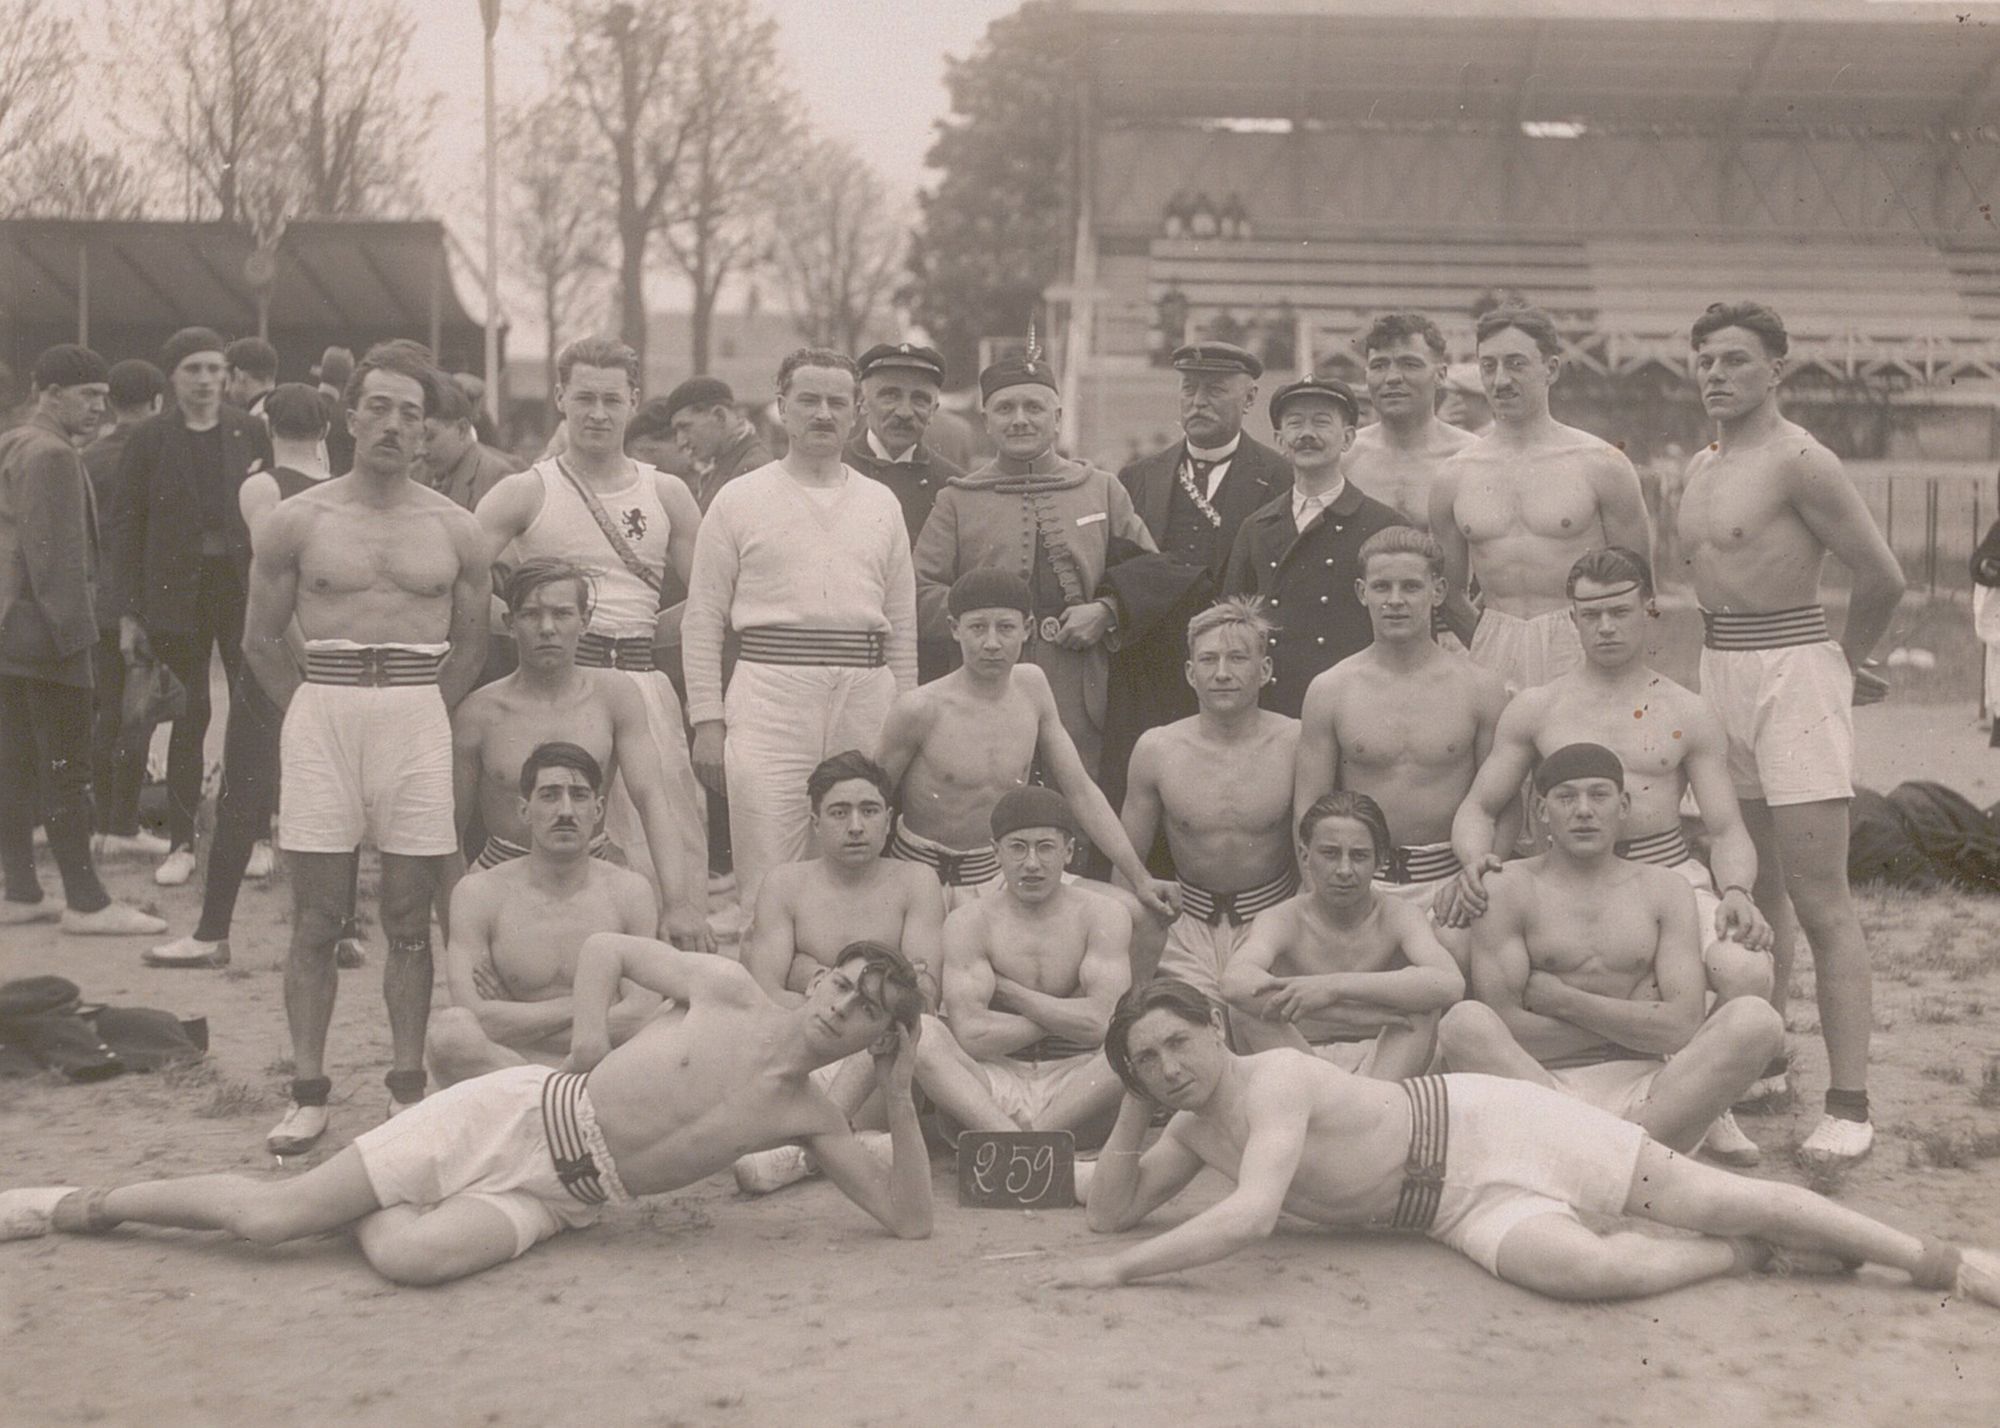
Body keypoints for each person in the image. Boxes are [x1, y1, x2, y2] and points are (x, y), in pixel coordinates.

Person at [0, 939, 933, 1286]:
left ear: (874, 1039)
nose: (839, 1007)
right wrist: (583, 1051)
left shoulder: (812, 1117)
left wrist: (899, 1094)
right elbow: (605, 947)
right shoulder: (726, 991)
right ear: (819, 975)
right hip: (516, 1114)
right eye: (842, 984)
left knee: (409, 1259)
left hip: (567, 1203)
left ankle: (372, 1187)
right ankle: (81, 1201)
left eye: (864, 1014)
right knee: (269, 1220)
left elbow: (907, 1219)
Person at [1047, 977, 2000, 1310]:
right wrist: (1134, 1104)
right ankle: (1746, 1258)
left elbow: (1252, 1218)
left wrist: (1124, 1275)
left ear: (1216, 1030)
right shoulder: (1185, 1121)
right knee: (1590, 1277)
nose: (1169, 1066)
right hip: (1446, 1208)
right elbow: (1111, 1212)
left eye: (1179, 1043)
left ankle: (1937, 1260)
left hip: (1483, 1123)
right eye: (1148, 1060)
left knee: (1713, 1191)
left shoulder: (1274, 1082)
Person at [1675, 301, 1907, 1164]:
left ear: (1777, 368)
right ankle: (1766, 1056)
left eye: (1735, 359)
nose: (1715, 373)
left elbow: (1883, 576)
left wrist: (1844, 663)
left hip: (1794, 673)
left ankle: (1850, 1104)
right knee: (1752, 886)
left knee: (1820, 899)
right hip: (1719, 673)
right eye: (1704, 359)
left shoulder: (1802, 459)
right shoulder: (1701, 465)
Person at [244, 342, 491, 1155]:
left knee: (410, 918)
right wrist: (310, 709)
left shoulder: (456, 529)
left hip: (416, 712)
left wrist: (423, 711)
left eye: (410, 413)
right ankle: (309, 1094)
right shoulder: (299, 519)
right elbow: (259, 641)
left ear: (430, 430)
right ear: (348, 416)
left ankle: (405, 1087)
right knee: (317, 917)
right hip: (325, 711)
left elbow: (471, 647)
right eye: (377, 407)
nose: (392, 424)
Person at [1436, 744, 1783, 1158]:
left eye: (1599, 795)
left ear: (1623, 806)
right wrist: (1635, 1028)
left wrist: (1564, 1001)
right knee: (1464, 1023)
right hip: (1542, 1087)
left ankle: (1580, 1156)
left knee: (1757, 1020)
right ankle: (1617, 1158)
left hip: (1650, 1098)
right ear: (1542, 811)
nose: (1584, 810)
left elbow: (1681, 1028)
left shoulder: (1665, 889)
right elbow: (1508, 1026)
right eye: (1566, 797)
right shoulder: (1508, 887)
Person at [476, 338, 708, 930]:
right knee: (563, 846)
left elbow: (710, 600)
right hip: (556, 690)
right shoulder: (526, 490)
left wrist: (642, 637)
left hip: (642, 688)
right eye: (584, 398)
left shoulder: (667, 494)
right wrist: (525, 625)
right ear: (560, 398)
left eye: (612, 399)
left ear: (634, 401)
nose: (598, 413)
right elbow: (459, 580)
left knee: (667, 849)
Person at [683, 349, 915, 918]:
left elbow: (902, 626)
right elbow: (703, 617)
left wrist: (907, 719)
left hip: (865, 694)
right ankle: (767, 999)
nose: (822, 414)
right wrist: (707, 720)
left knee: (855, 856)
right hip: (769, 696)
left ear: (857, 413)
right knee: (769, 869)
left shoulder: (880, 502)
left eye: (838, 402)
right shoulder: (741, 498)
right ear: (781, 407)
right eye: (808, 400)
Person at [146, 385, 339, 968]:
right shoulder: (344, 487)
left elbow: (269, 571)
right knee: (334, 793)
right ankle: (346, 931)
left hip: (282, 652)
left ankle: (211, 934)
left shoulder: (263, 486)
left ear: (266, 428)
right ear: (327, 432)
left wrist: (298, 653)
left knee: (243, 792)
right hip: (333, 657)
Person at [875, 568, 1174, 925]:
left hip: (1001, 877)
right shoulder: (919, 708)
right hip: (921, 881)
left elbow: (1080, 790)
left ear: (1028, 628)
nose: (991, 643)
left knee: (1138, 915)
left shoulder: (1032, 686)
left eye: (1005, 627)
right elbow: (872, 803)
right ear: (955, 629)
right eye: (977, 628)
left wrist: (1140, 878)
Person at [914, 348, 1157, 781]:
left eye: (1034, 407)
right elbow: (919, 592)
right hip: (987, 683)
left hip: (1085, 687)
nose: (1019, 420)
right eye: (1005, 409)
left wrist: (1106, 612)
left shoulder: (1101, 488)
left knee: (1081, 801)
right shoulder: (957, 500)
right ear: (986, 420)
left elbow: (1150, 575)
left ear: (1058, 416)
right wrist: (987, 624)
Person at [448, 556, 701, 947]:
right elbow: (452, 830)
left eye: (562, 613)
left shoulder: (614, 696)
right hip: (504, 876)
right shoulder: (479, 714)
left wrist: (678, 903)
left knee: (620, 994)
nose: (547, 628)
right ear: (509, 624)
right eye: (531, 614)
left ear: (585, 620)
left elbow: (652, 801)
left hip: (593, 872)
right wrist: (462, 927)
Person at [0, 344, 165, 936]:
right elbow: (56, 559)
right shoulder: (51, 454)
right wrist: (79, 641)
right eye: (87, 395)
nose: (99, 406)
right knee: (66, 768)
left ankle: (20, 889)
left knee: (16, 763)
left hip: (12, 631)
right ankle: (87, 903)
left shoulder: (18, 440)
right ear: (49, 392)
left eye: (102, 395)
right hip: (51, 634)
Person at [108, 326, 276, 888]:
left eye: (213, 369)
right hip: (175, 594)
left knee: (252, 711)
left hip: (239, 589)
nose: (205, 381)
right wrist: (130, 611)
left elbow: (270, 516)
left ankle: (256, 833)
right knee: (188, 712)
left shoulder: (250, 431)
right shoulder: (150, 439)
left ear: (227, 376)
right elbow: (126, 527)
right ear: (173, 379)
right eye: (192, 371)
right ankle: (182, 842)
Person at [733, 750, 945, 1193]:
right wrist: (852, 1002)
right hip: (804, 1051)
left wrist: (812, 978)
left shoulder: (916, 882)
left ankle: (799, 1153)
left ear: (889, 819)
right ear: (814, 822)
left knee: (902, 1027)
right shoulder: (785, 884)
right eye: (838, 812)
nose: (855, 826)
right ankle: (848, 1146)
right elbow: (765, 991)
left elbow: (921, 993)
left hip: (872, 1065)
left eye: (869, 811)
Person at [1293, 526, 1509, 941]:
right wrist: (1320, 892)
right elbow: (1309, 810)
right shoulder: (1331, 689)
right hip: (1358, 886)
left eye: (1410, 586)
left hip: (1452, 885)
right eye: (1381, 587)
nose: (1395, 601)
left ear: (1439, 590)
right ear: (1361, 592)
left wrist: (1477, 878)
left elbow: (1501, 803)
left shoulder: (1480, 688)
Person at [1106, 342, 1291, 809]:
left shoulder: (1282, 477)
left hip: (1238, 675)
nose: (1198, 402)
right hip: (1153, 674)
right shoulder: (1138, 477)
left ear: (1249, 399)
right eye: (1189, 389)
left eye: (1215, 390)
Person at [1428, 304, 1651, 690]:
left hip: (1582, 642)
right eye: (1489, 366)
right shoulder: (1453, 475)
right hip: (1494, 644)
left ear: (1551, 369)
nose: (1501, 380)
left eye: (1516, 364)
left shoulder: (1602, 464)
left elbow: (1639, 583)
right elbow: (1448, 591)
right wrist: (1488, 640)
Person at [428, 742, 659, 1087]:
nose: (565, 810)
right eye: (550, 795)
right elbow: (477, 1016)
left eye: (579, 796)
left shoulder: (629, 892)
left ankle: (547, 1102)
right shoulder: (479, 893)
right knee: (450, 1035)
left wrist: (514, 1019)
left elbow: (640, 1015)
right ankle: (559, 1102)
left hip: (605, 1065)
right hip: (509, 1064)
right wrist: (592, 1005)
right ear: (524, 810)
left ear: (598, 810)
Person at [913, 787, 1132, 1139]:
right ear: (996, 852)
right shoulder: (969, 922)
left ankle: (1016, 1146)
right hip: (995, 1082)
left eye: (1045, 847)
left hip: (1077, 1085)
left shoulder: (1103, 914)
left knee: (1133, 1040)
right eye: (1017, 847)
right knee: (922, 1034)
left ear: (1069, 851)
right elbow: (972, 1036)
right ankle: (1024, 1145)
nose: (1031, 863)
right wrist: (1068, 1013)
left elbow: (1103, 1025)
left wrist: (1012, 993)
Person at [1119, 598, 1298, 1005]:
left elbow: (1314, 851)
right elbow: (1126, 867)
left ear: (1265, 670)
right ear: (1190, 672)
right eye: (1208, 660)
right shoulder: (1157, 748)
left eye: (1237, 658)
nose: (1222, 673)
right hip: (1184, 930)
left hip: (1274, 924)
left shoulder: (1295, 743)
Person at [1221, 792, 1462, 1075]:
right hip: (1304, 1060)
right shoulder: (1282, 918)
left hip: (1383, 1061)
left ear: (1381, 860)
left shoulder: (1399, 915)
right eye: (1330, 854)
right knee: (1243, 1011)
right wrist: (1347, 1013)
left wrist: (1332, 987)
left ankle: (1361, 1111)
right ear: (1305, 855)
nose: (1345, 870)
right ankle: (1353, 1114)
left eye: (1359, 856)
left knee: (1424, 1006)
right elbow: (1234, 982)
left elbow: (1449, 983)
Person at [1222, 376, 1402, 718]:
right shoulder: (1256, 527)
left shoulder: (1383, 525)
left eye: (1321, 422)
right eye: (1295, 423)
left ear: (1348, 437)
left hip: (1357, 704)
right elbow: (1233, 625)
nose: (1307, 434)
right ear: (1279, 440)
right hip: (1274, 706)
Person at [81, 358, 166, 856]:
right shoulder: (158, 455)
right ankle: (122, 825)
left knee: (106, 710)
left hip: (97, 602)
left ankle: (102, 822)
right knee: (139, 714)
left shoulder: (87, 457)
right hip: (142, 602)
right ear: (158, 401)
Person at [845, 342, 966, 684]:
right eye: (890, 395)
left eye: (919, 399)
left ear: (935, 408)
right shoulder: (831, 470)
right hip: (845, 655)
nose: (904, 411)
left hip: (927, 663)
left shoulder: (955, 486)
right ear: (862, 402)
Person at [1344, 312, 1478, 531]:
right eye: (1379, 365)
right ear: (1366, 374)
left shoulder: (1471, 457)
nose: (1392, 377)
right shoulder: (1345, 457)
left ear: (1441, 375)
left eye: (1410, 364)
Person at [664, 376, 770, 512]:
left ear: (719, 416)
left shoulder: (752, 470)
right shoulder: (728, 462)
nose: (681, 442)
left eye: (685, 427)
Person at [423, 379, 523, 514]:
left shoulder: (498, 480)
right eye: (416, 437)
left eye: (429, 437)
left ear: (462, 429)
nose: (420, 449)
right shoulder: (417, 472)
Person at [224, 337, 279, 420]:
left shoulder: (255, 422)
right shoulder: (286, 412)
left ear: (238, 374)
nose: (226, 389)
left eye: (227, 380)